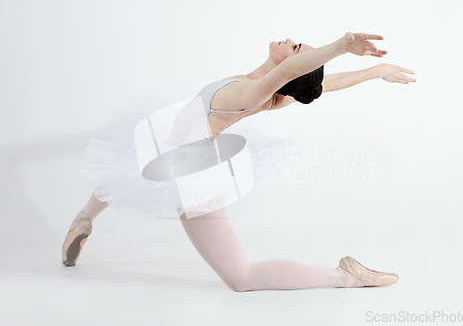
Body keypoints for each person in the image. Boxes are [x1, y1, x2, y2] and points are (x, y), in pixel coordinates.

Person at [62, 32, 416, 292]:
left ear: (289, 68)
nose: (292, 41)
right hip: (170, 146)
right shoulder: (265, 88)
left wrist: (341, 46)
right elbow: (325, 83)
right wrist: (376, 70)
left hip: (192, 174)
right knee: (129, 159)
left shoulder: (254, 93)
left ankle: (344, 276)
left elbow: (296, 70)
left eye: (295, 50)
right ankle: (83, 220)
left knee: (240, 278)